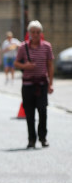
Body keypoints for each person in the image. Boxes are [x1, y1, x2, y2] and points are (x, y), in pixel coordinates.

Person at [14, 20, 54, 148]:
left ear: (41, 33)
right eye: (33, 32)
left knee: (42, 111)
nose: (35, 34)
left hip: (41, 84)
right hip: (27, 85)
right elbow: (16, 63)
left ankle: (43, 137)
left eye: (38, 32)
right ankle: (31, 139)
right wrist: (25, 66)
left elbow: (50, 65)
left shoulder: (47, 47)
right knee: (29, 114)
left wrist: (51, 84)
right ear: (29, 33)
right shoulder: (22, 47)